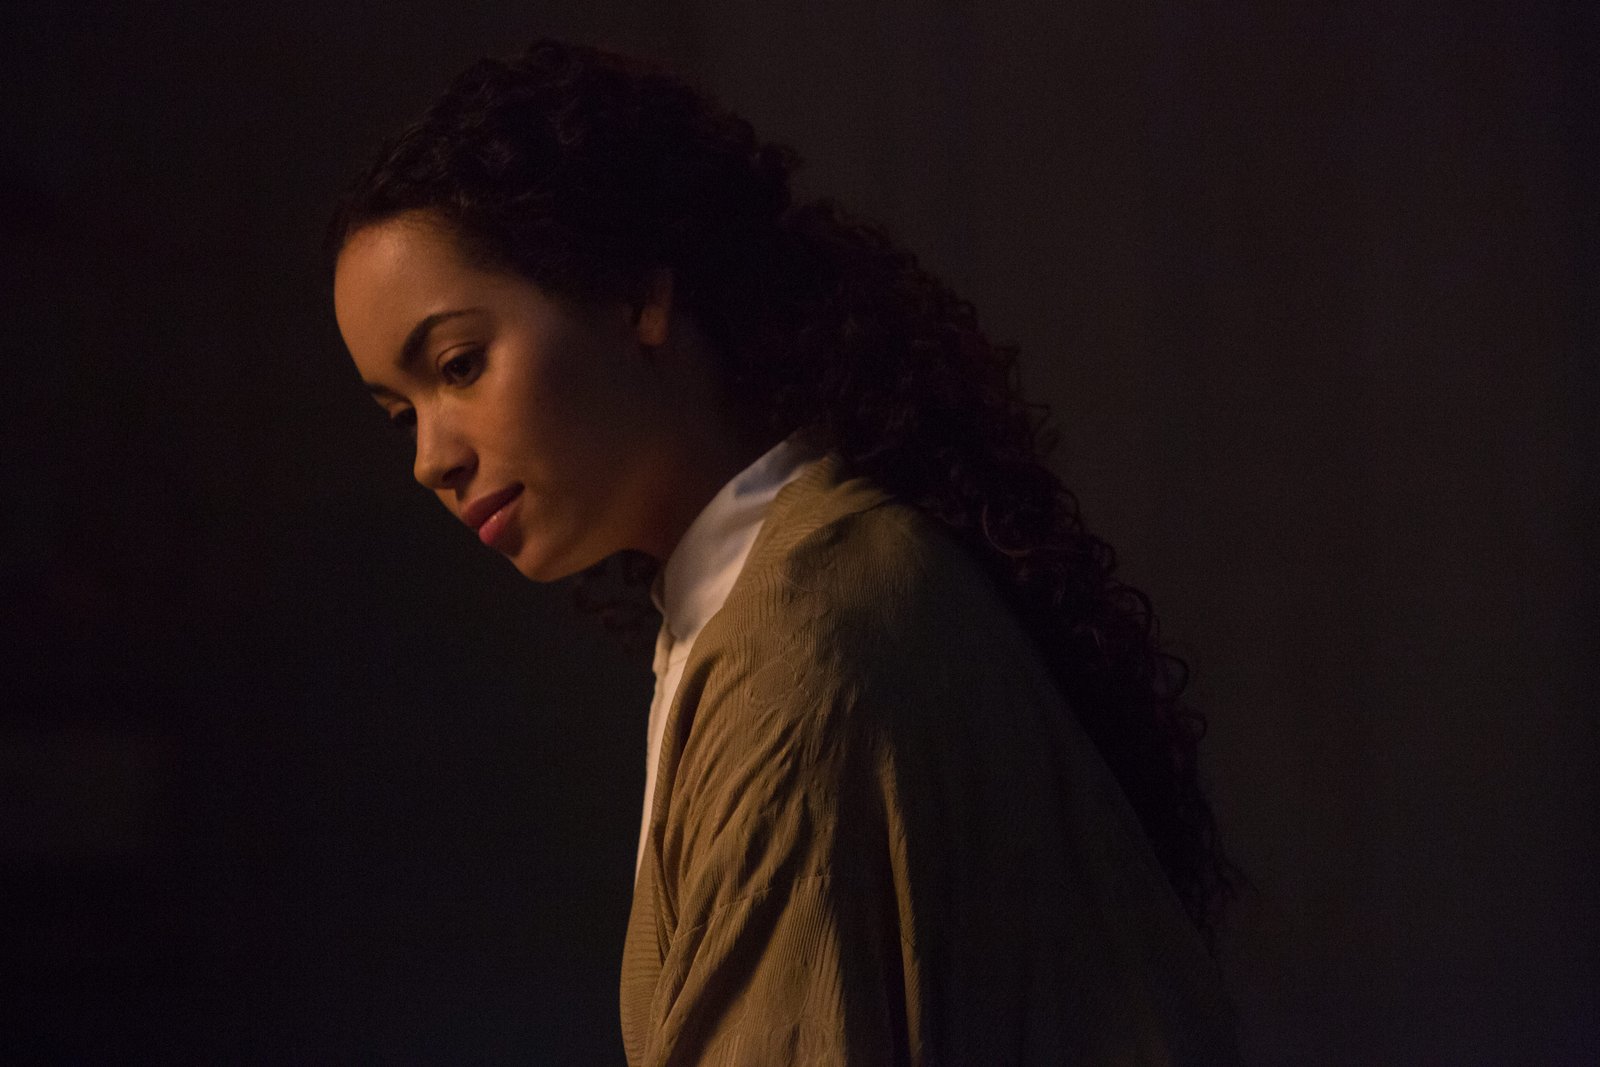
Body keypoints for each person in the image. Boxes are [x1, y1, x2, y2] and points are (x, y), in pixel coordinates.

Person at [327, 37, 1242, 1066]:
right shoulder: (785, 595)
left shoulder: (804, 651)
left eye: (458, 364)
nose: (430, 459)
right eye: (400, 412)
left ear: (634, 294)